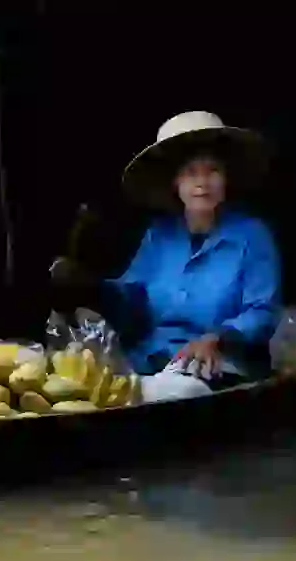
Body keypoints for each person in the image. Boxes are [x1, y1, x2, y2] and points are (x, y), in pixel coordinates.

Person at [51, 111, 282, 385]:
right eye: (190, 173)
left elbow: (262, 311)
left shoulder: (252, 235)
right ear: (176, 183)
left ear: (226, 179)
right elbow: (130, 297)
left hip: (221, 367)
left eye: (213, 171)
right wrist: (90, 286)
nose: (202, 182)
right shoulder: (159, 235)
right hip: (150, 361)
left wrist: (217, 338)